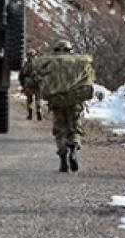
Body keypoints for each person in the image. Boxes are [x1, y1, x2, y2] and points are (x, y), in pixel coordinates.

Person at [36, 40, 95, 173]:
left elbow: (38, 77)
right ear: (70, 50)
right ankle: (73, 147)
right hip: (75, 100)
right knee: (75, 129)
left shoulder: (50, 62)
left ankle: (63, 160)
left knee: (60, 130)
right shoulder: (80, 61)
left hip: (56, 100)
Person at [18, 49, 42, 121]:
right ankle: (39, 111)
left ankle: (30, 114)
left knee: (29, 100)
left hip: (28, 84)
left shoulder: (26, 64)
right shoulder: (39, 63)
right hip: (38, 84)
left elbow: (21, 75)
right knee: (38, 99)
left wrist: (22, 84)